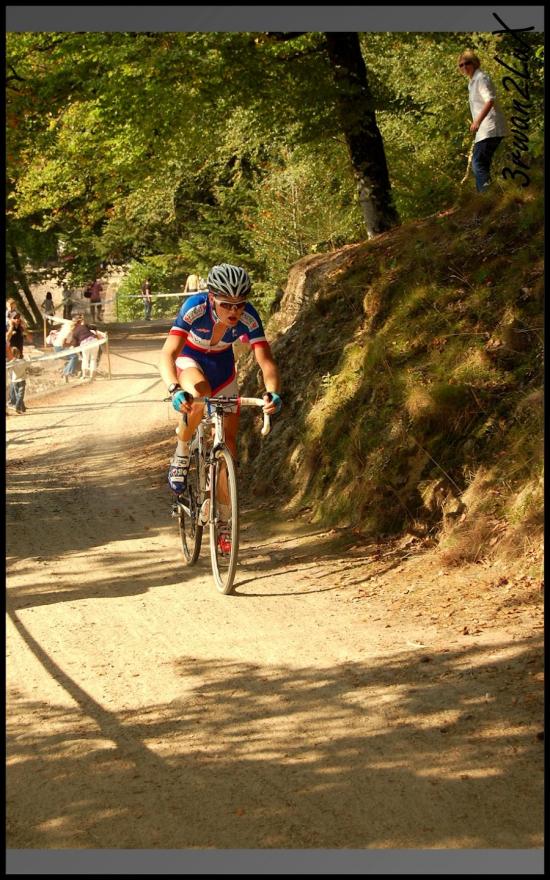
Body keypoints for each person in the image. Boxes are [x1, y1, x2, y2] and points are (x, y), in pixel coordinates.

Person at [160, 263, 282, 548]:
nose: (234, 311)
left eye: (240, 305)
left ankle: (225, 521)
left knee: (228, 444)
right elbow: (168, 352)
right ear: (212, 297)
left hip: (223, 369)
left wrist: (272, 392)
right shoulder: (194, 308)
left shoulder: (249, 317)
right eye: (227, 304)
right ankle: (181, 453)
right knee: (200, 396)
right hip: (190, 361)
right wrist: (174, 388)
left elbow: (266, 360)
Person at [458, 50, 508, 193]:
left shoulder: (481, 78)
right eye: (461, 65)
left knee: (478, 162)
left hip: (490, 127)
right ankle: (488, 196)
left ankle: (487, 196)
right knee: (480, 163)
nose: (464, 67)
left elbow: (490, 100)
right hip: (484, 130)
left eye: (467, 63)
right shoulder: (472, 82)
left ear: (474, 63)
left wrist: (477, 121)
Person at [70, 313, 101, 381]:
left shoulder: (74, 332)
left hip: (85, 343)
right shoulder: (85, 326)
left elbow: (74, 344)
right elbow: (94, 327)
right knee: (93, 360)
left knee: (85, 359)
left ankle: (84, 376)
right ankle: (92, 377)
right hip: (94, 341)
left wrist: (72, 348)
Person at [7, 346, 28, 413]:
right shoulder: (23, 361)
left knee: (17, 395)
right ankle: (18, 407)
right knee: (20, 395)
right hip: (21, 380)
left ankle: (22, 408)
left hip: (14, 381)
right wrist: (29, 358)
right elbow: (28, 363)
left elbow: (9, 370)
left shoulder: (11, 363)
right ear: (18, 354)